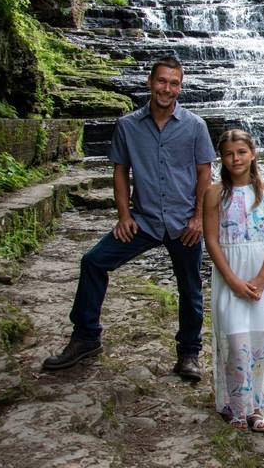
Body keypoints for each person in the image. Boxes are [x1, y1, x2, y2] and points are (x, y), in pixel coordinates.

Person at [42, 56, 215, 379]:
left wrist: (198, 218)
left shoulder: (195, 126)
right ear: (150, 83)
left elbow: (205, 174)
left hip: (182, 224)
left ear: (181, 86)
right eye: (162, 81)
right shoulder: (128, 126)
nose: (167, 88)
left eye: (174, 83)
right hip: (145, 220)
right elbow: (120, 171)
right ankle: (86, 337)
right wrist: (123, 216)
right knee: (93, 262)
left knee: (190, 288)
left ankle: (189, 354)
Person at [203, 129, 264, 432]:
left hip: (262, 275)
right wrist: (232, 280)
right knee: (235, 340)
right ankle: (236, 405)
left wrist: (261, 276)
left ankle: (255, 408)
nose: (236, 159)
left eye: (241, 152)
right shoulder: (215, 193)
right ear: (222, 158)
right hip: (230, 274)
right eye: (229, 154)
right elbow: (212, 240)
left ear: (253, 153)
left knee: (258, 341)